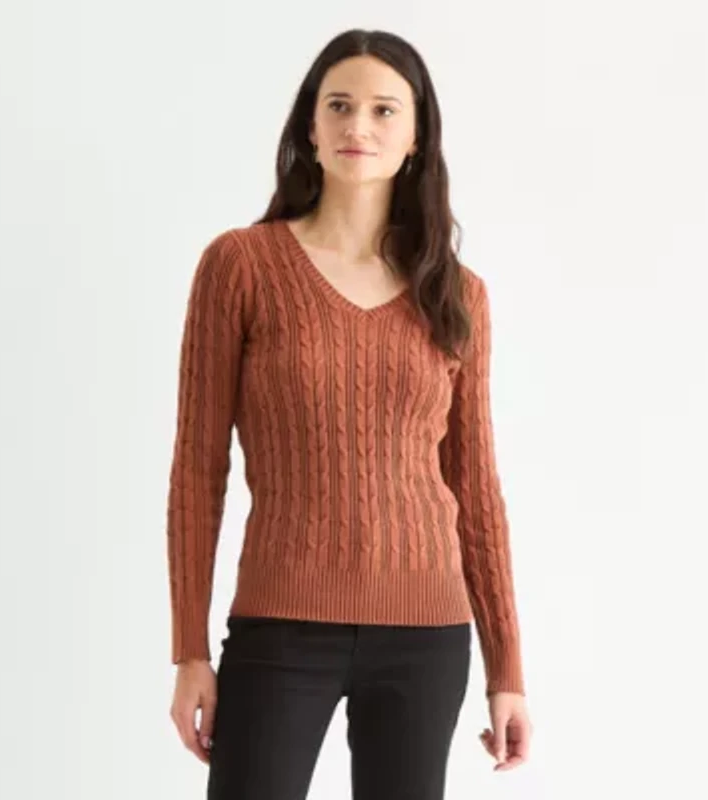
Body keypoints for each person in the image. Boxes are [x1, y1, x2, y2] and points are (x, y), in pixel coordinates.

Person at [167, 27, 533, 800]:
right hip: (280, 626)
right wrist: (189, 650)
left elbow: (475, 487)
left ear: (416, 136)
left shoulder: (456, 293)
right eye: (338, 105)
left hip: (426, 634)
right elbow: (198, 468)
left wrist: (508, 670)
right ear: (310, 124)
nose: (357, 126)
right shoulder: (241, 266)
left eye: (382, 109)